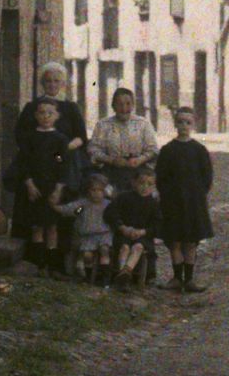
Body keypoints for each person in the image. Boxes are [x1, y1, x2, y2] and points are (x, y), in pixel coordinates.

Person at [13, 64, 88, 241]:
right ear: (42, 83)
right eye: (48, 81)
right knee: (35, 213)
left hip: (63, 164)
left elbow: (81, 137)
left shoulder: (71, 107)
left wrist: (64, 148)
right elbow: (20, 135)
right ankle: (33, 259)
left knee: (60, 208)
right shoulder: (32, 107)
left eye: (56, 81)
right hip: (36, 165)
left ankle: (58, 260)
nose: (52, 84)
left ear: (63, 83)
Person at [155, 108, 214, 293]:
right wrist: (166, 195)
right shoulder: (168, 150)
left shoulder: (199, 150)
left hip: (193, 203)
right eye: (180, 122)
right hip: (172, 203)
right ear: (175, 124)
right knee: (174, 241)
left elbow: (207, 176)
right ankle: (176, 277)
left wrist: (197, 194)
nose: (184, 126)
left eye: (188, 122)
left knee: (190, 241)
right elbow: (161, 176)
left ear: (193, 124)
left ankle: (189, 279)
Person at [16, 98, 70, 272]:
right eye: (42, 113)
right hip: (35, 187)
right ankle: (38, 264)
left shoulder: (60, 140)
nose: (46, 117)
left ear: (57, 116)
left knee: (52, 226)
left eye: (50, 113)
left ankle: (51, 263)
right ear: (35, 115)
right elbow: (24, 162)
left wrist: (58, 189)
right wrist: (29, 184)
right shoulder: (30, 138)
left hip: (52, 187)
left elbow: (62, 164)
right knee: (37, 226)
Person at [91, 86, 159, 193]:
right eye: (120, 104)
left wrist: (140, 159)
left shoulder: (143, 124)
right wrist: (111, 160)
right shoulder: (103, 125)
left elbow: (153, 149)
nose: (124, 108)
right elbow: (93, 150)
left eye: (128, 104)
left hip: (138, 172)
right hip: (111, 171)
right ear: (113, 106)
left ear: (133, 105)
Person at [106, 166, 162, 289]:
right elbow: (110, 214)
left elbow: (158, 225)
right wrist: (122, 227)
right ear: (133, 182)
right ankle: (122, 275)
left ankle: (126, 271)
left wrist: (143, 232)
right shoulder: (123, 198)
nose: (145, 187)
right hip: (124, 234)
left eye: (149, 184)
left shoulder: (154, 204)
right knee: (124, 247)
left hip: (143, 237)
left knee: (138, 247)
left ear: (154, 186)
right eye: (141, 183)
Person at [57, 173, 116, 287]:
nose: (96, 193)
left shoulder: (109, 205)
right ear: (88, 190)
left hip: (104, 234)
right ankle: (89, 277)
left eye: (100, 190)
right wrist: (56, 207)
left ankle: (105, 279)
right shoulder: (83, 205)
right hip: (88, 235)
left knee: (104, 250)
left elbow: (116, 216)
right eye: (93, 190)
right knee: (87, 255)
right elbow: (72, 211)